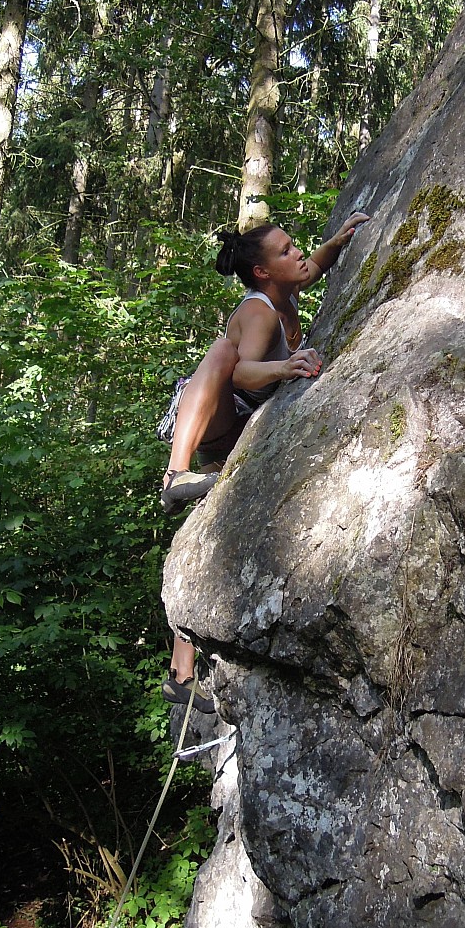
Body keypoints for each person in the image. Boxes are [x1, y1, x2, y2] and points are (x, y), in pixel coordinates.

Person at [161, 211, 369, 711]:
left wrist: (338, 241)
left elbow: (313, 266)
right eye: (285, 251)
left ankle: (180, 673)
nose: (297, 254)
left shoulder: (285, 290)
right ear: (262, 273)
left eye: (294, 245)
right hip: (216, 413)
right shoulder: (259, 311)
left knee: (207, 526)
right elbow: (241, 373)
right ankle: (174, 472)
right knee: (219, 354)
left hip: (238, 425)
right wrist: (287, 365)